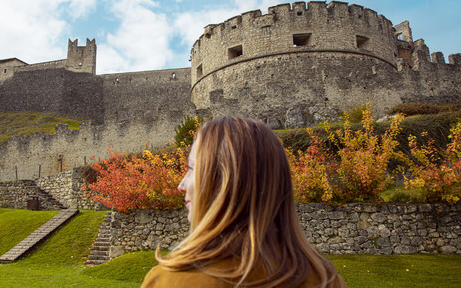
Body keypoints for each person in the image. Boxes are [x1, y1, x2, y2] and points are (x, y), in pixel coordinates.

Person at [141, 117, 346, 287]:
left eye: (193, 168)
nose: (181, 184)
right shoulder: (327, 280)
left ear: (224, 181)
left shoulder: (170, 281)